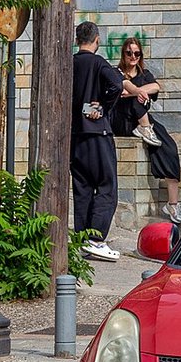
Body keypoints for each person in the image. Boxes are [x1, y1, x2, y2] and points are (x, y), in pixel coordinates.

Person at [110, 37, 181, 224]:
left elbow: (156, 86)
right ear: (123, 54)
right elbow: (116, 91)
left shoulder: (144, 74)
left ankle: (172, 204)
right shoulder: (115, 72)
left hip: (141, 117)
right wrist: (137, 92)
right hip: (121, 120)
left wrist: (137, 90)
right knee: (139, 98)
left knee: (169, 147)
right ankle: (145, 128)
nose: (133, 56)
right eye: (129, 53)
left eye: (137, 53)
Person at [71, 20, 124, 261]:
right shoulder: (98, 63)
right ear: (97, 39)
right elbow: (116, 84)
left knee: (81, 187)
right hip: (97, 132)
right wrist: (103, 106)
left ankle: (82, 238)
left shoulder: (69, 63)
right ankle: (96, 239)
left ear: (76, 40)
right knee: (106, 185)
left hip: (75, 135)